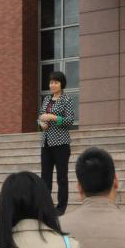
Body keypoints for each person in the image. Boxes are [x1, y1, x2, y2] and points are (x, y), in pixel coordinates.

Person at [38, 71, 77, 215]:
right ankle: (46, 207)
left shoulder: (66, 100)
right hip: (46, 143)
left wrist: (53, 117)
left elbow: (70, 121)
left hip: (61, 144)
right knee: (45, 177)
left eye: (56, 82)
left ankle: (61, 208)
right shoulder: (47, 99)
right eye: (51, 82)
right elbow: (40, 117)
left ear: (62, 84)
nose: (52, 85)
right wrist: (41, 123)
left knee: (62, 177)